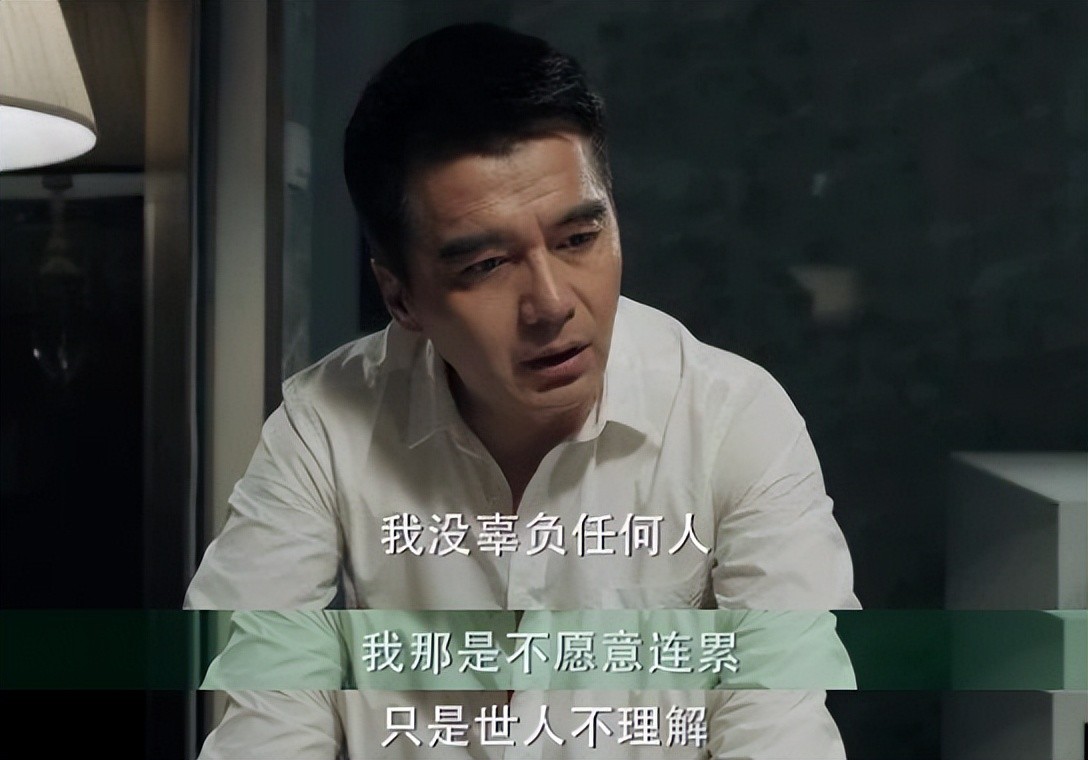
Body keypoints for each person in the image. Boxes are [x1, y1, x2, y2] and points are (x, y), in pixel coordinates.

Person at [186, 22, 860, 759]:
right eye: (485, 266)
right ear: (401, 297)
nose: (552, 304)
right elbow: (266, 711)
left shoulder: (734, 421)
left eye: (578, 239)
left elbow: (778, 725)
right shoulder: (324, 428)